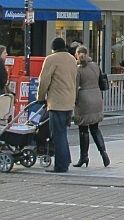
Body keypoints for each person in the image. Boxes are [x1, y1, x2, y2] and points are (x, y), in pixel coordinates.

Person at [37, 37, 78, 172]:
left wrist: (41, 98)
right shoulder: (72, 59)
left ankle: (61, 165)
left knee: (57, 134)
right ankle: (66, 159)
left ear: (53, 48)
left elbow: (44, 81)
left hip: (57, 102)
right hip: (69, 102)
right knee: (63, 133)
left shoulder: (51, 59)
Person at [72, 46, 109, 168]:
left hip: (84, 100)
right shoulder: (95, 66)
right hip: (97, 98)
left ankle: (84, 156)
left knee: (83, 130)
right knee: (95, 128)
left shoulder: (78, 69)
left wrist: (74, 101)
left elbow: (75, 87)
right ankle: (103, 153)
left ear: (77, 55)